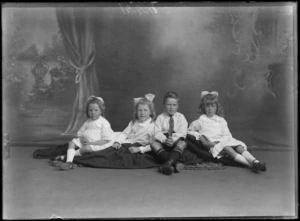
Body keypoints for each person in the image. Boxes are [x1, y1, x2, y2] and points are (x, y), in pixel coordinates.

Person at [187, 91, 267, 173]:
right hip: (214, 145)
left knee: (238, 146)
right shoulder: (200, 121)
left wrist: (225, 141)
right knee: (227, 148)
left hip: (224, 141)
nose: (210, 108)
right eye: (207, 106)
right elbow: (189, 131)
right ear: (203, 107)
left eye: (212, 106)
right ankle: (251, 165)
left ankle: (255, 161)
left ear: (217, 107)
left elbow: (227, 135)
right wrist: (201, 137)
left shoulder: (221, 120)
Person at [57, 95, 115, 170]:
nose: (93, 112)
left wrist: (91, 143)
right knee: (71, 143)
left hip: (97, 143)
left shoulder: (104, 123)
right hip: (85, 142)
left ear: (101, 111)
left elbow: (105, 140)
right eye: (90, 110)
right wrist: (81, 139)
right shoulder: (87, 122)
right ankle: (69, 162)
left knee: (87, 149)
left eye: (96, 110)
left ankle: (66, 156)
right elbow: (80, 133)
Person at [151, 92, 188, 175]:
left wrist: (173, 139)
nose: (171, 107)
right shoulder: (160, 117)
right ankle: (174, 163)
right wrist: (165, 140)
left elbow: (183, 132)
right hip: (164, 140)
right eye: (168, 105)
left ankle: (167, 163)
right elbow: (157, 132)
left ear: (177, 106)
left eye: (174, 105)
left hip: (176, 140)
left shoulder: (181, 117)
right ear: (164, 105)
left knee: (183, 143)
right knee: (153, 144)